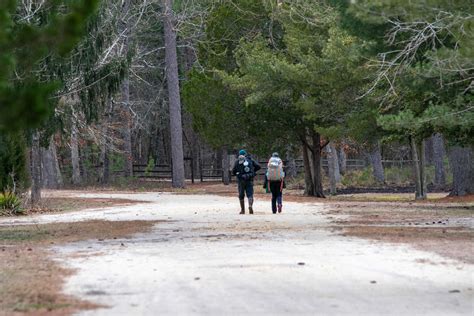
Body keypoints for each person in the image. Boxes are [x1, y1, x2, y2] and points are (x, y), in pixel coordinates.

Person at [232, 149, 261, 214]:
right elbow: (259, 167)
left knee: (241, 195)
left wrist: (237, 174)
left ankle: (243, 210)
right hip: (249, 179)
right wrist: (253, 171)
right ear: (245, 154)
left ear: (239, 154)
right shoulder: (250, 160)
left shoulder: (237, 161)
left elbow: (233, 171)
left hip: (241, 180)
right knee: (250, 194)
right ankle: (250, 205)